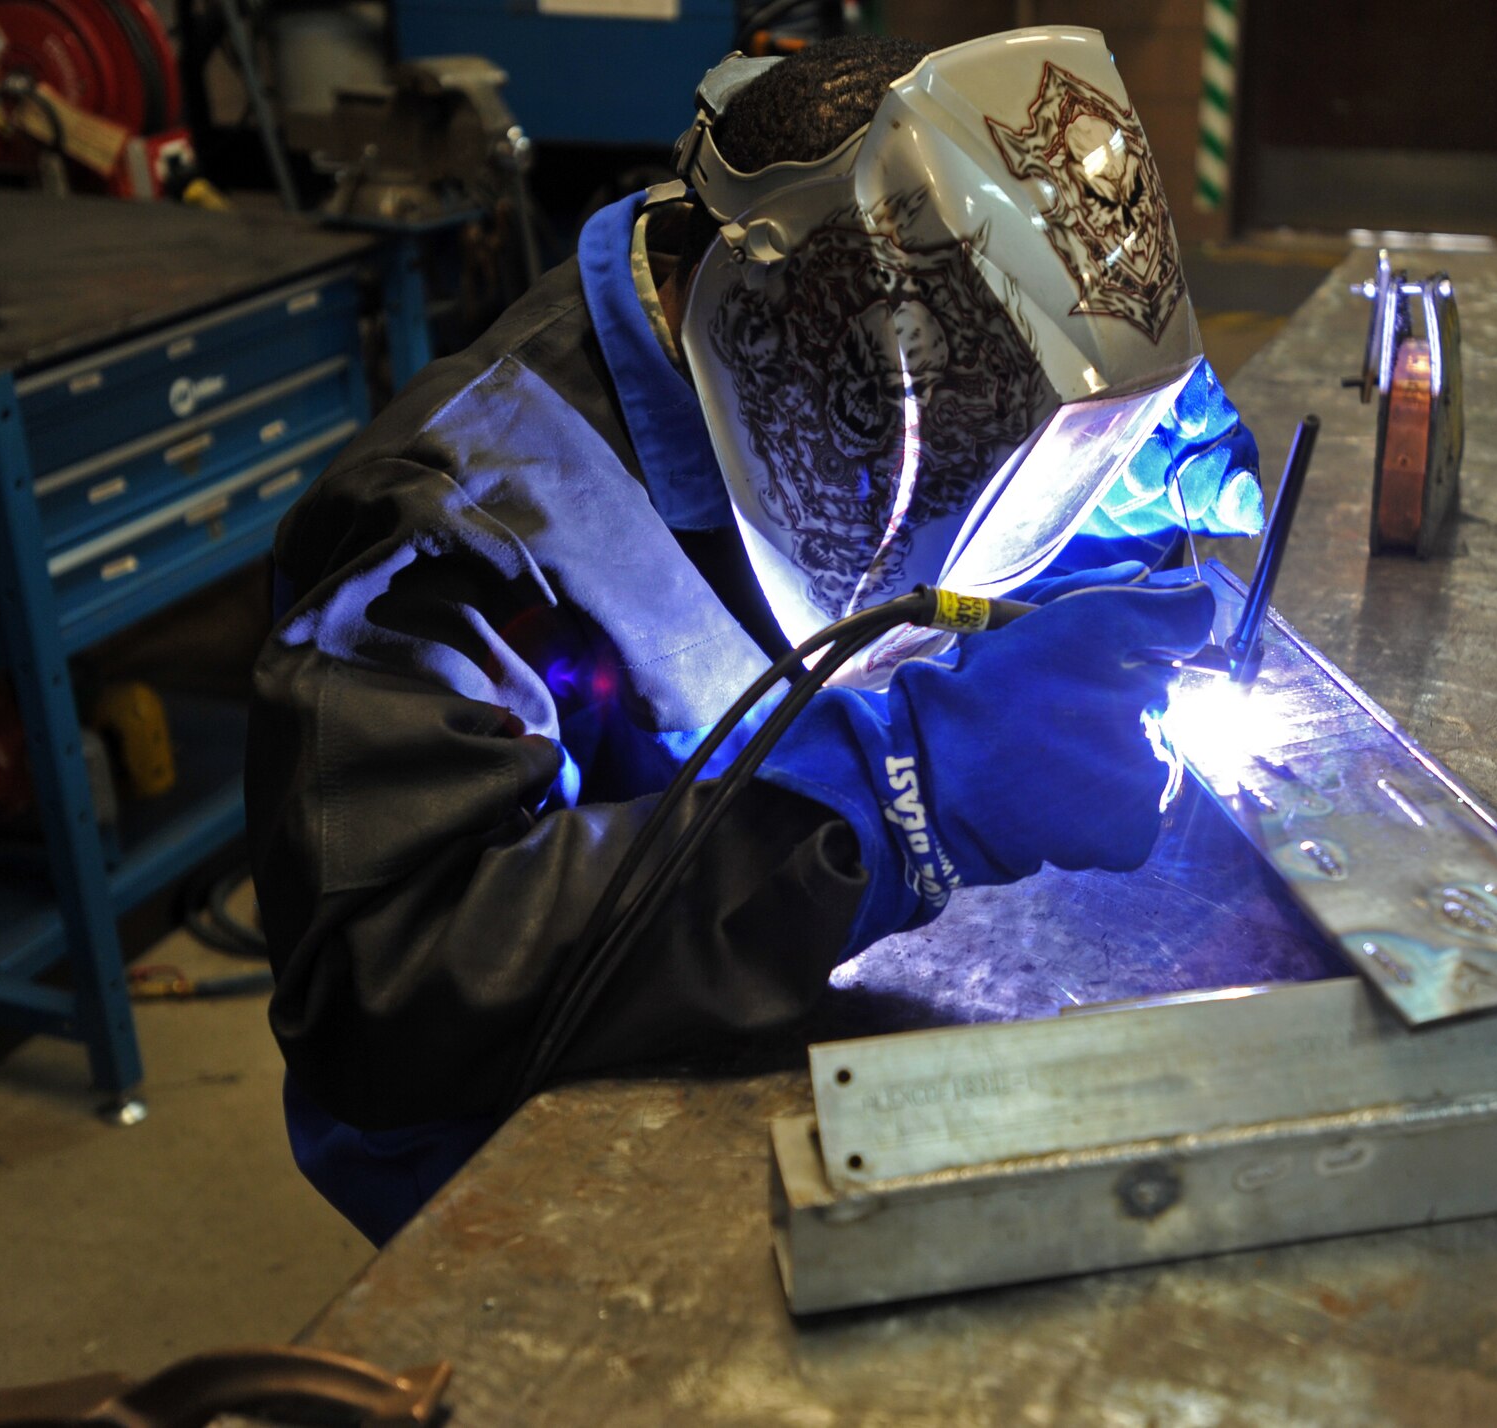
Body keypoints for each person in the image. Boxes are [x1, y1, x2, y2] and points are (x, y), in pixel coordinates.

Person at [246, 29, 1266, 1244]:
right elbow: (387, 997)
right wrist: (900, 795)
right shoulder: (449, 518)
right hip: (527, 1168)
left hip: (794, 1024)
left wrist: (1116, 443)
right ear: (810, 334)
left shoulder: (889, 361)